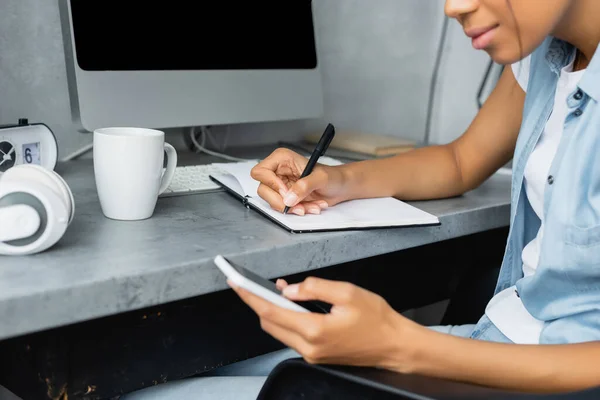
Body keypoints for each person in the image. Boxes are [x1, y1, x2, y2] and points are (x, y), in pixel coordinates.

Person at [123, 0, 600, 398]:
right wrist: (334, 180)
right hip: (498, 342)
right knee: (212, 376)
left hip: (549, 380)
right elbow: (461, 160)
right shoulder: (546, 55)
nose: (453, 7)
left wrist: (399, 346)